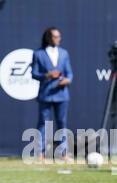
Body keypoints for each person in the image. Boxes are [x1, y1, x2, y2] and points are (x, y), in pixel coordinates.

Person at [31, 27, 73, 161]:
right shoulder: (38, 54)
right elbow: (34, 74)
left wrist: (67, 80)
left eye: (59, 36)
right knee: (43, 123)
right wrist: (47, 75)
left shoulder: (64, 53)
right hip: (46, 93)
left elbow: (69, 73)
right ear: (49, 38)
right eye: (56, 36)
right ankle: (40, 153)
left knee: (62, 123)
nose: (58, 39)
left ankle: (64, 153)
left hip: (62, 94)